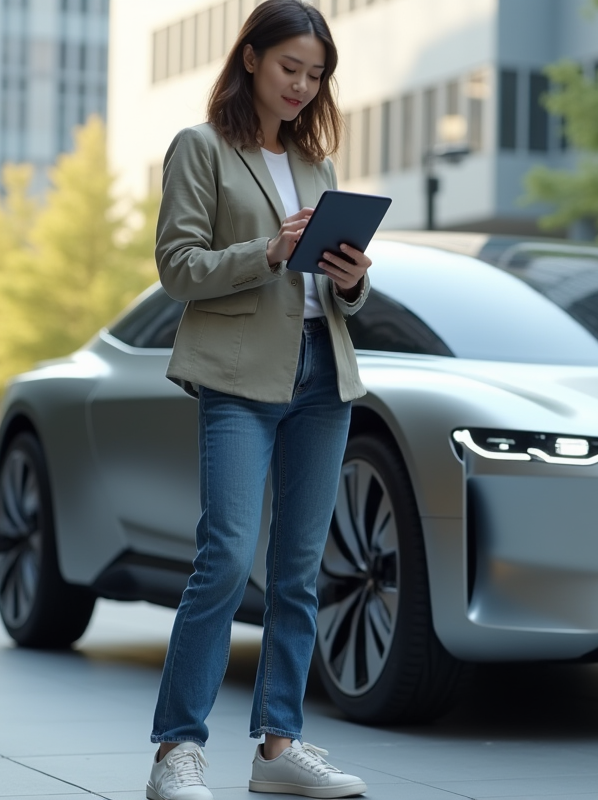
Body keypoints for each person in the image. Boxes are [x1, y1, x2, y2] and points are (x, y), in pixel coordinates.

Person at [147, 3, 372, 798]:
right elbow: (178, 267)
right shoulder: (200, 149)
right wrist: (268, 250)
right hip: (239, 376)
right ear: (250, 58)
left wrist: (351, 281)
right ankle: (177, 750)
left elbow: (337, 291)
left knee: (300, 572)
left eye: (315, 77)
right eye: (290, 69)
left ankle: (278, 748)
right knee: (224, 559)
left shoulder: (317, 165)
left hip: (322, 378)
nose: (302, 88)